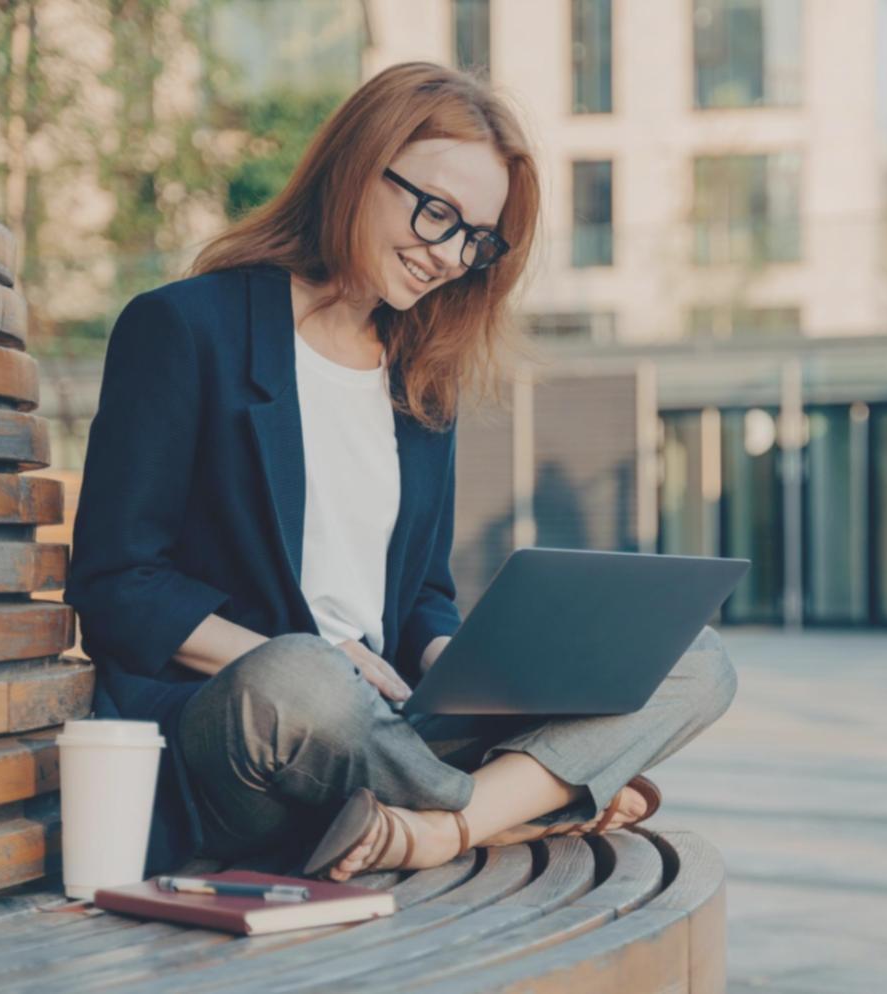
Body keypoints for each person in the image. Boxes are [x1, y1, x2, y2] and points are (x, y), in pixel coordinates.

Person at [64, 62, 737, 883]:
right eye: (436, 213)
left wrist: (464, 664)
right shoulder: (183, 328)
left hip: (391, 731)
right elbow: (116, 585)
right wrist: (307, 653)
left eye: (475, 240)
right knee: (304, 675)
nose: (449, 255)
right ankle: (520, 806)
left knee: (696, 658)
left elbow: (420, 594)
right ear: (357, 165)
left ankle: (439, 829)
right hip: (251, 734)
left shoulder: (421, 378)